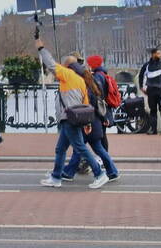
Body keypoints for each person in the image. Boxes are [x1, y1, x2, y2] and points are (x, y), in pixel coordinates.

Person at [36, 38, 109, 189]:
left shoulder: (67, 75)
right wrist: (88, 123)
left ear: (67, 66)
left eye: (63, 65)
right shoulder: (80, 80)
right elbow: (86, 102)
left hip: (69, 118)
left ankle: (99, 174)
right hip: (76, 118)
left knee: (80, 147)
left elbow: (50, 63)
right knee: (61, 149)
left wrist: (41, 47)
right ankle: (56, 177)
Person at [59, 62, 120, 181]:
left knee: (81, 148)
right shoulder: (93, 83)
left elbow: (88, 105)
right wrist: (104, 118)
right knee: (96, 149)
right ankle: (112, 172)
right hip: (94, 121)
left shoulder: (83, 86)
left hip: (88, 122)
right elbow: (98, 104)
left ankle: (70, 172)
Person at [138, 48, 161, 135]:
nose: (160, 55)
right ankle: (153, 130)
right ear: (153, 54)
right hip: (150, 91)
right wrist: (141, 87)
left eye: (160, 53)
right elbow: (141, 76)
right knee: (153, 110)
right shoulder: (146, 65)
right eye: (158, 53)